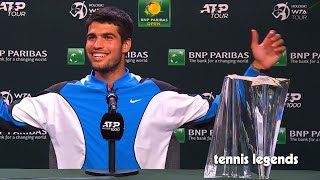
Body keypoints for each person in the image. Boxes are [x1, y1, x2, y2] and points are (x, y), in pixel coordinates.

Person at [0, 6, 285, 169]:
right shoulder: (60, 97)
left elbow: (223, 111)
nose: (97, 45)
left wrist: (256, 68)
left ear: (126, 45)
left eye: (108, 37)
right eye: (91, 37)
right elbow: (5, 116)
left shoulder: (158, 95)